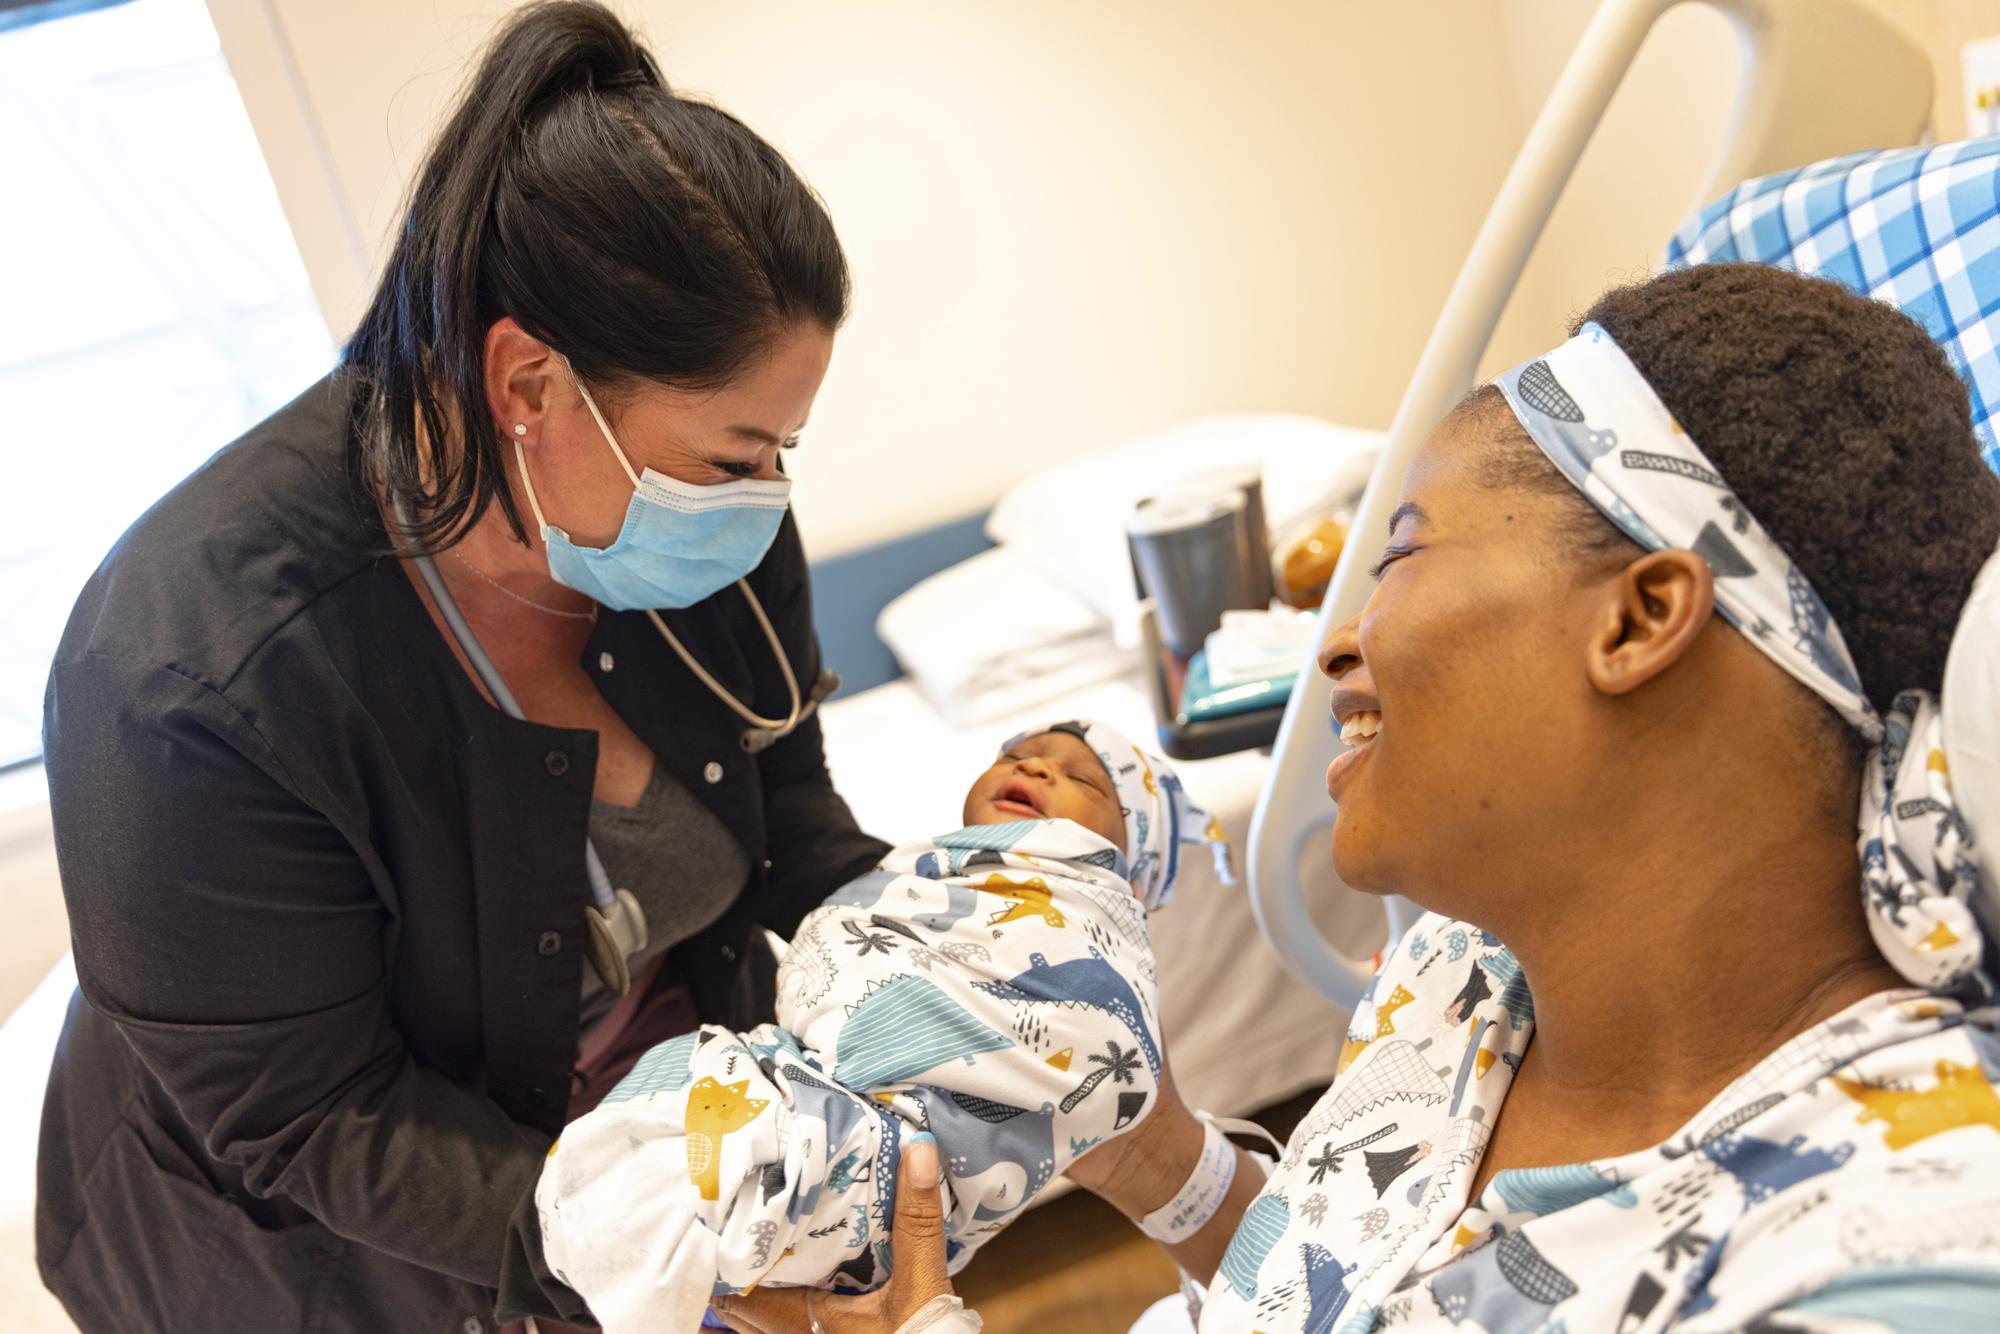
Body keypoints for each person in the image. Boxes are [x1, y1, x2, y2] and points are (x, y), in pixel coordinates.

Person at [717, 264, 2000, 1333]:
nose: (1333, 646)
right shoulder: (1459, 975)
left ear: (1642, 612)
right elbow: (1350, 1284)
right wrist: (1158, 1158)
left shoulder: (1894, 1249)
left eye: (1400, 552)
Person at [34, 3, 888, 1330]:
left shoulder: (691, 537)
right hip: (322, 1253)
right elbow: (312, 1114)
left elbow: (789, 821)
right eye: (734, 456)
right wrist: (645, 1251)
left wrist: (963, 925)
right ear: (529, 385)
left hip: (626, 1172)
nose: (766, 497)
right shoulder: (194, 678)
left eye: (781, 448)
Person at [536, 719, 1232, 1331]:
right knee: (681, 1154)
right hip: (819, 1091)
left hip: (893, 1149)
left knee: (708, 1181)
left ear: (1129, 864)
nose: (1036, 766)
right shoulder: (931, 876)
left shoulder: (1093, 915)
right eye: (1018, 752)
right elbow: (853, 933)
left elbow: (1098, 1047)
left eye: (1087, 779)